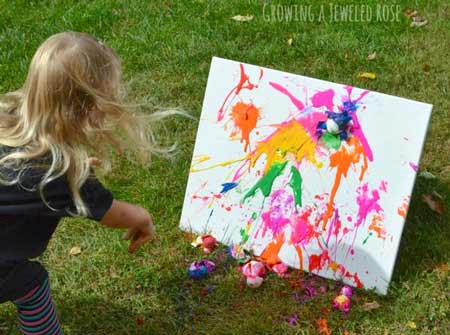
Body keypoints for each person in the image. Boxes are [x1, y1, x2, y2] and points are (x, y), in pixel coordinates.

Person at [0, 32, 171, 334]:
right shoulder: (60, 176)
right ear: (87, 107)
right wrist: (141, 217)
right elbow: (110, 212)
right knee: (31, 285)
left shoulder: (6, 122)